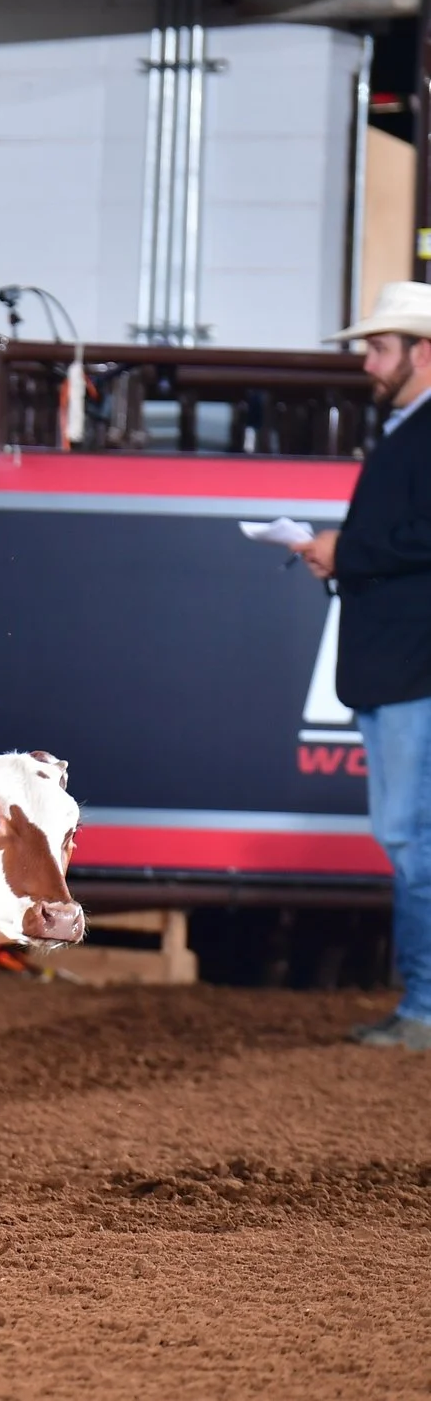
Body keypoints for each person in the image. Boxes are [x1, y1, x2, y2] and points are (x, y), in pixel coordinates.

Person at [294, 281, 431, 1050]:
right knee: (413, 835)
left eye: (380, 347)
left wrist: (347, 552)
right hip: (404, 666)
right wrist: (345, 557)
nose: (369, 362)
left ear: (422, 351)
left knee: (413, 836)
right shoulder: (410, 426)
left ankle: (426, 1007)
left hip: (413, 669)